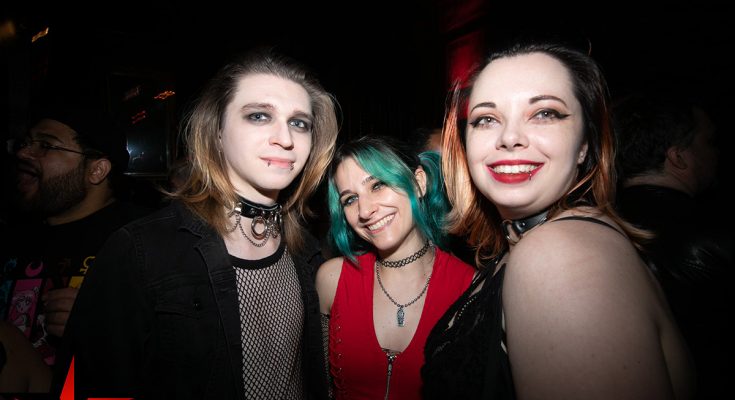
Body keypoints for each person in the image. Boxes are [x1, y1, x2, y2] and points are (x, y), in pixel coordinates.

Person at [421, 40, 696, 400]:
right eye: (486, 119)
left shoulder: (558, 255)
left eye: (545, 113)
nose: (509, 138)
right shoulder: (539, 242)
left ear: (585, 144)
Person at [60, 47, 339, 399]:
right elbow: (90, 387)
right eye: (258, 116)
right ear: (217, 132)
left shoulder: (309, 253)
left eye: (299, 123)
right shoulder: (141, 251)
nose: (285, 139)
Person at [0, 79, 152, 394]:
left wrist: (106, 324)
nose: (24, 153)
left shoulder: (143, 239)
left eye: (46, 145)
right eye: (26, 142)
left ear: (96, 170)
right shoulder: (10, 236)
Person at [316, 135, 475, 399]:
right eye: (350, 199)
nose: (365, 210)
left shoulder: (470, 288)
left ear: (419, 182)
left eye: (378, 185)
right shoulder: (331, 279)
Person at [613, 91, 732, 399]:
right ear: (678, 157)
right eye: (709, 142)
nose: (717, 153)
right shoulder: (713, 234)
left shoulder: (596, 230)